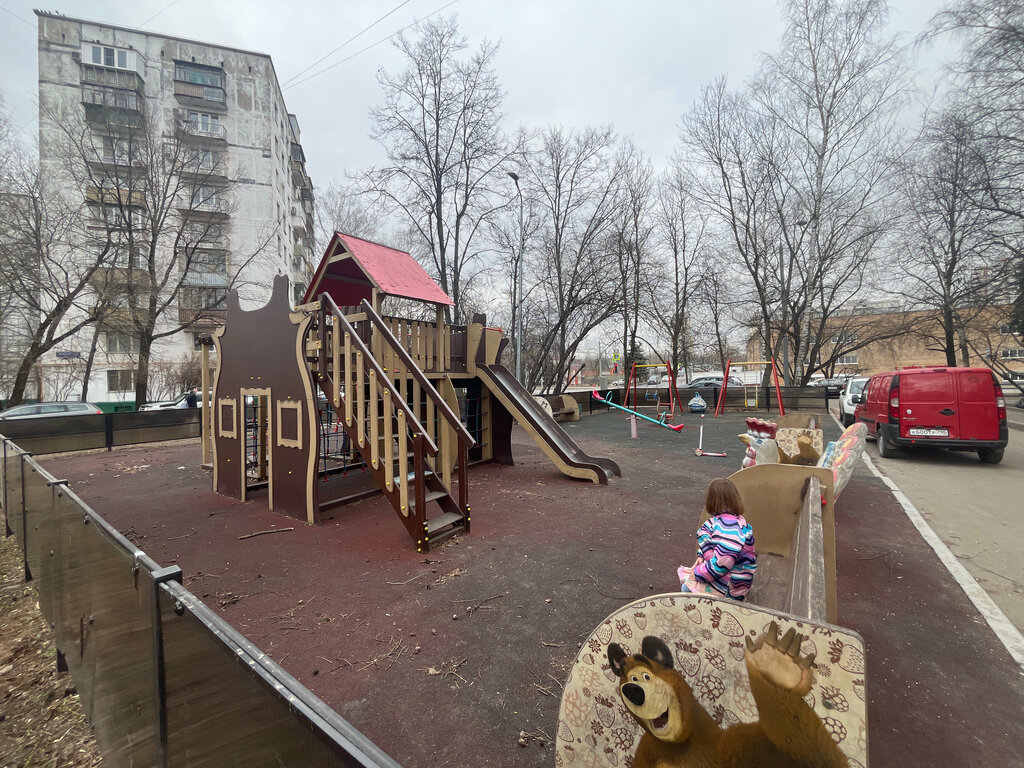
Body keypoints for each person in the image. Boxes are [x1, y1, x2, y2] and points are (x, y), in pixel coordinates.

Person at [677, 478, 756, 601]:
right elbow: (715, 544)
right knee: (690, 579)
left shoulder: (730, 528)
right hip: (731, 577)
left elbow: (723, 562)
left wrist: (698, 574)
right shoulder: (730, 521)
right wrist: (702, 554)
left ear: (711, 501)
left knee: (686, 589)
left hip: (732, 587)